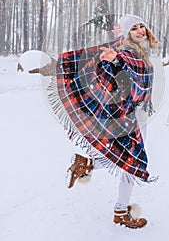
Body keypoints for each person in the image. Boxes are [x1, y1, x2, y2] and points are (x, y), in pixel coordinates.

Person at [51, 14, 158, 229]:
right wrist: (117, 59)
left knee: (129, 159)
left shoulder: (133, 50)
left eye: (142, 27)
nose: (140, 31)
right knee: (131, 162)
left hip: (132, 112)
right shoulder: (130, 52)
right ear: (127, 33)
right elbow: (130, 64)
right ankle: (120, 211)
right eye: (134, 28)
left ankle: (88, 164)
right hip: (134, 114)